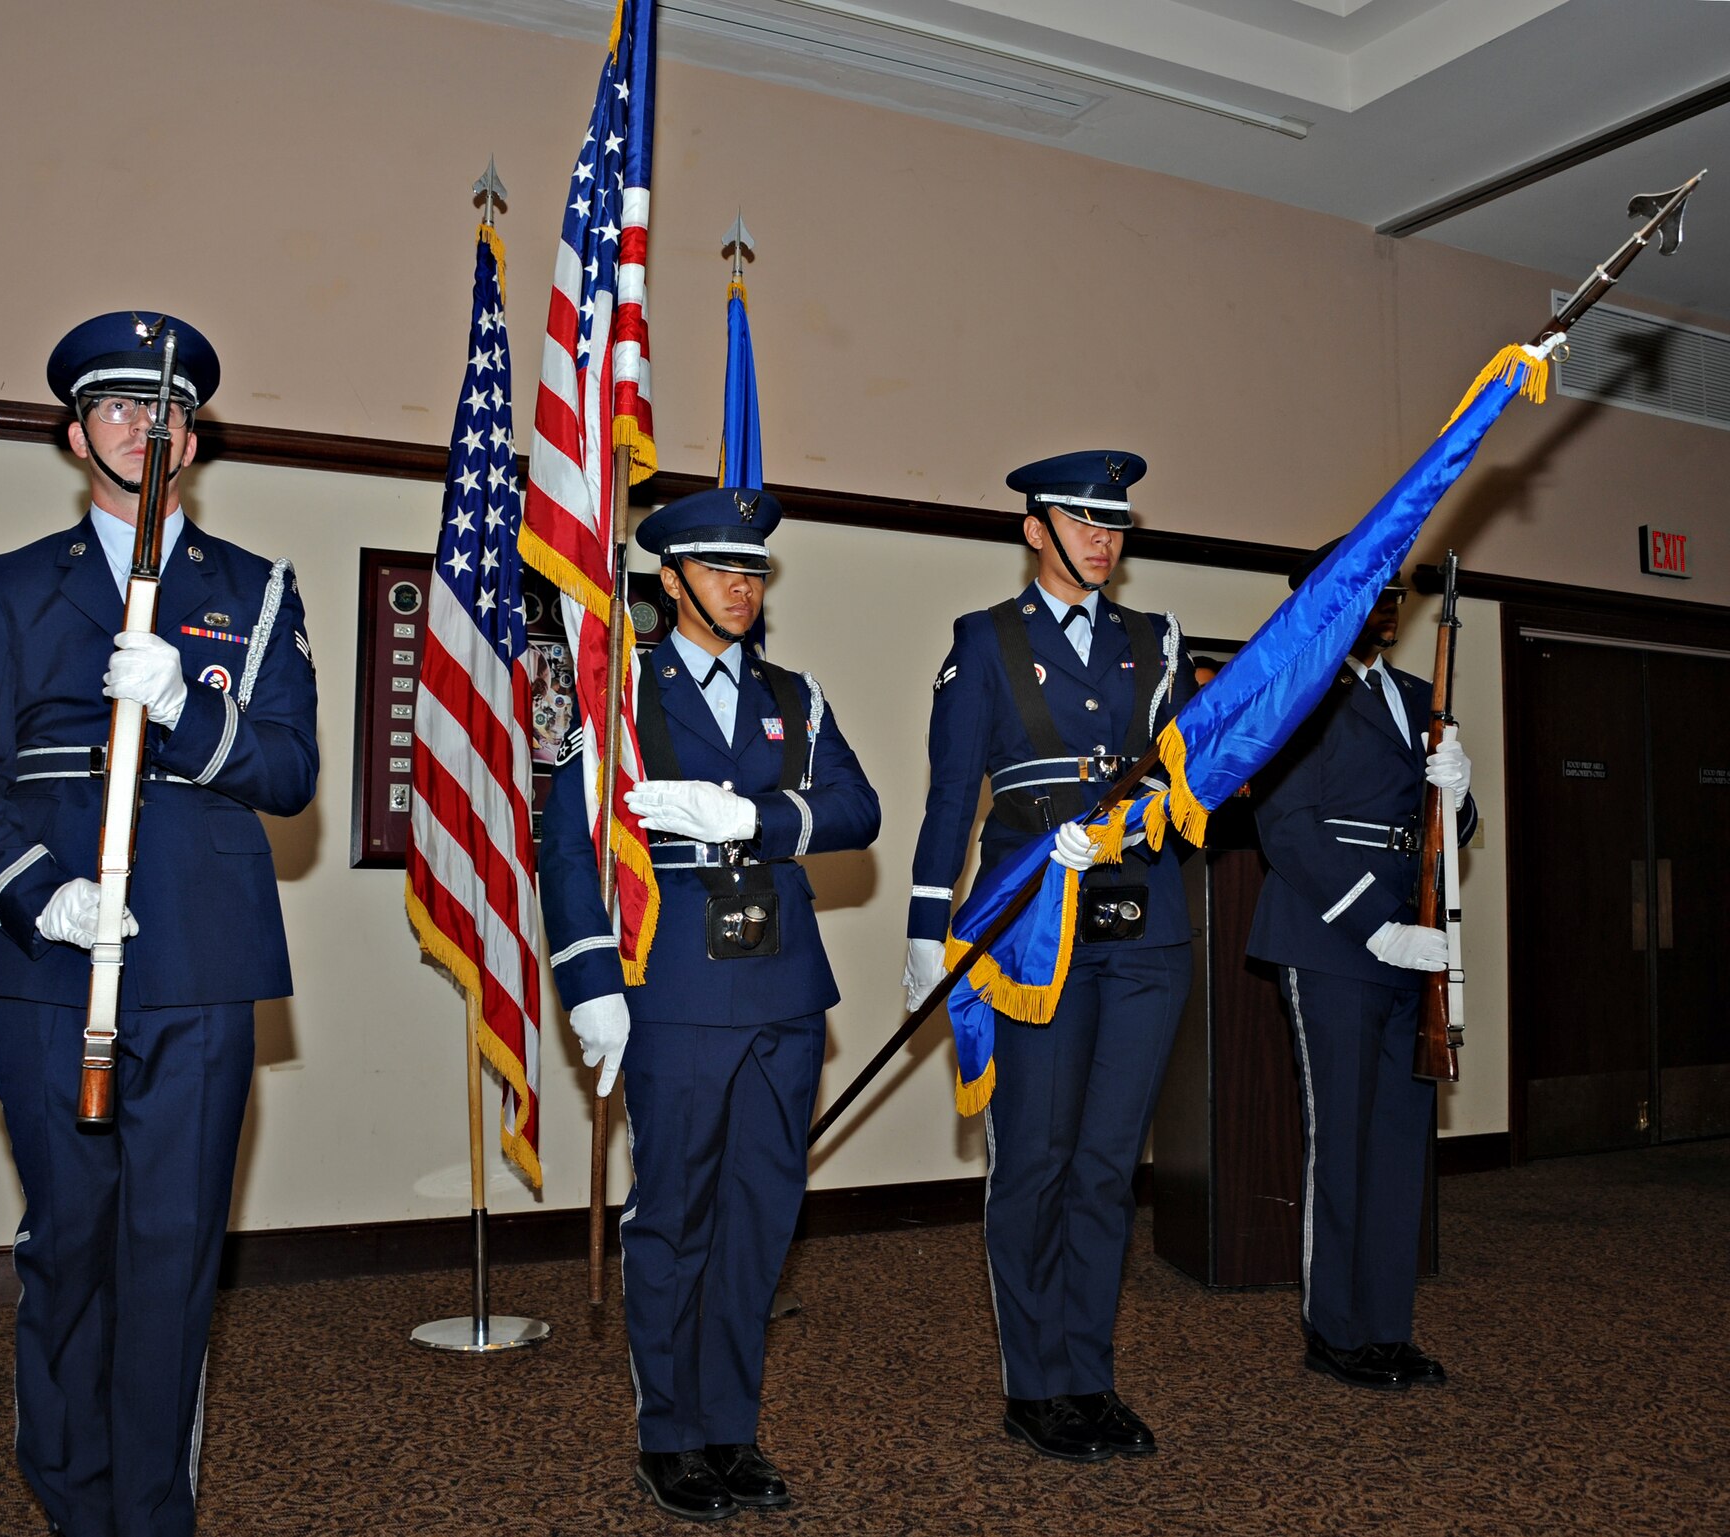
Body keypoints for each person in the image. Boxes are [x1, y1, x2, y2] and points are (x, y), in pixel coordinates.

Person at [0, 311, 318, 1537]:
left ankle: (151, 1511)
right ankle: (72, 1498)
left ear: (192, 439)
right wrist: (42, 887)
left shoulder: (253, 594)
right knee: (68, 1242)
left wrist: (189, 719)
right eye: (119, 408)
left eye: (169, 412)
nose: (146, 429)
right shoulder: (11, 586)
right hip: (50, 959)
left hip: (199, 958)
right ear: (74, 429)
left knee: (172, 1250)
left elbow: (291, 768)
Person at [538, 488, 879, 1521]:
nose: (743, 587)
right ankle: (669, 1434)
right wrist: (591, 982)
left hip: (780, 982)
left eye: (755, 571)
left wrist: (755, 814)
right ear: (669, 579)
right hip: (672, 980)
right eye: (722, 570)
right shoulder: (620, 698)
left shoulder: (793, 693)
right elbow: (566, 855)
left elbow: (856, 808)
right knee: (674, 1215)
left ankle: (731, 1425)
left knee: (759, 1218)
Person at [904, 451, 1196, 1462]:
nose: (1099, 536)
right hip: (1030, 922)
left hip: (1143, 922)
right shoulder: (984, 642)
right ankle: (1034, 1385)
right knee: (1035, 1157)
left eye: (1112, 522)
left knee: (1108, 1166)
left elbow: (1196, 777)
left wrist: (1147, 811)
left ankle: (1088, 1375)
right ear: (1035, 528)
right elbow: (951, 798)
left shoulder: (1155, 643)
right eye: (1078, 518)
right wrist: (921, 925)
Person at [1244, 540, 1475, 1391]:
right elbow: (1288, 830)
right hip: (1333, 938)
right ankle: (1334, 1329)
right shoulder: (1295, 692)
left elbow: (1455, 823)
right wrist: (1377, 927)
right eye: (1365, 589)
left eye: (1394, 591)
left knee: (1398, 1143)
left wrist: (1459, 783)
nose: (1386, 604)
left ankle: (1387, 1326)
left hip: (1413, 939)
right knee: (1339, 1136)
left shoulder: (1419, 697)